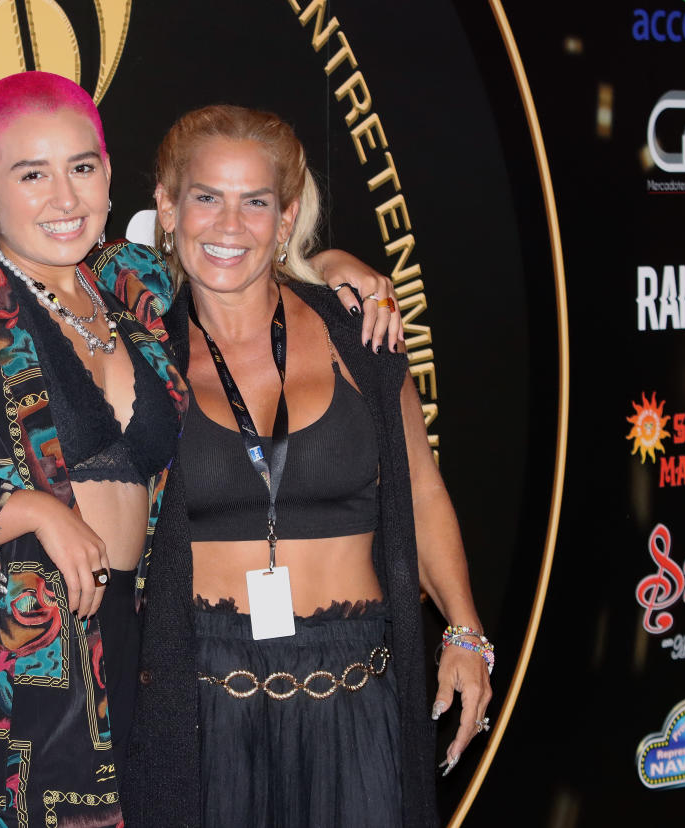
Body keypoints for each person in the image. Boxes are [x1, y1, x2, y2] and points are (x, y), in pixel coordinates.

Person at [0, 74, 400, 826]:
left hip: (127, 652)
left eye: (82, 167)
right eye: (31, 174)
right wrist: (28, 509)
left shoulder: (129, 285)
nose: (64, 198)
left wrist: (331, 269)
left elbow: (235, 263)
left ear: (108, 176)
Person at [109, 105, 494, 827]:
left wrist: (465, 630)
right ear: (166, 208)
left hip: (356, 689)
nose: (229, 225)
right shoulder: (139, 355)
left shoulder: (358, 330)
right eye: (205, 197)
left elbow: (422, 488)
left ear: (286, 219)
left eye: (255, 202)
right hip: (202, 707)